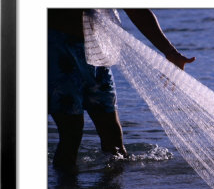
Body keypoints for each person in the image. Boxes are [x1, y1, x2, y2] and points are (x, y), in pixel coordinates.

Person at [48, 9, 195, 170]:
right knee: (71, 133)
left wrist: (170, 52)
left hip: (97, 56)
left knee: (113, 139)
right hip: (59, 51)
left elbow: (136, 9)